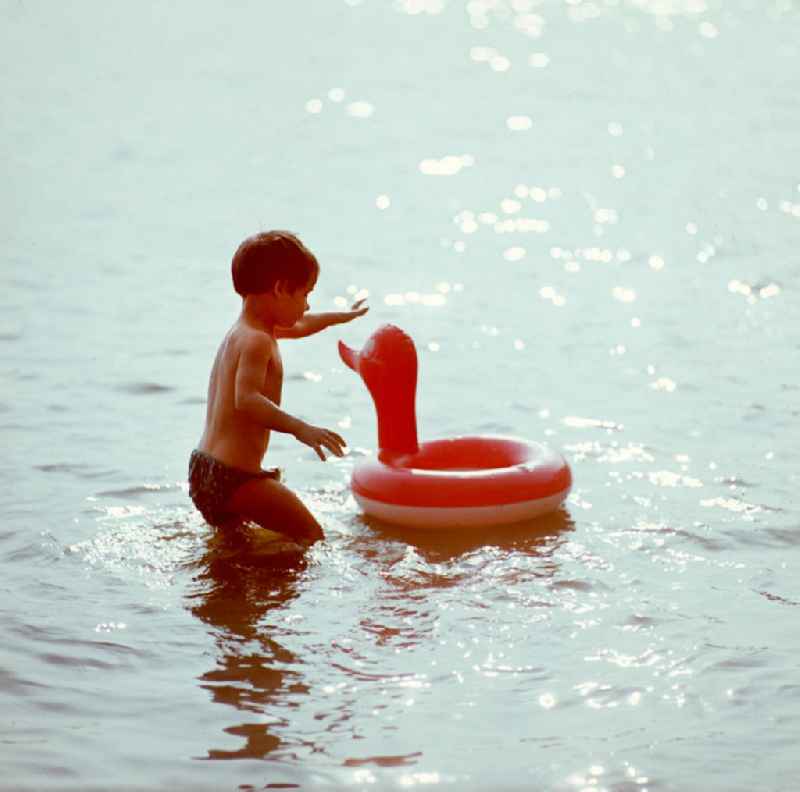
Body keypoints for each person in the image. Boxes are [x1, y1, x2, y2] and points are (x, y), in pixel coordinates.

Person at [188, 230, 368, 546]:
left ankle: (234, 586)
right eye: (305, 294)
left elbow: (302, 324)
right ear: (280, 289)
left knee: (237, 548)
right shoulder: (257, 341)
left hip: (205, 470)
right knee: (311, 535)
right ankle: (282, 593)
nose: (307, 304)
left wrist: (342, 316)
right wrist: (301, 428)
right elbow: (246, 399)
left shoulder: (245, 331)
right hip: (235, 479)